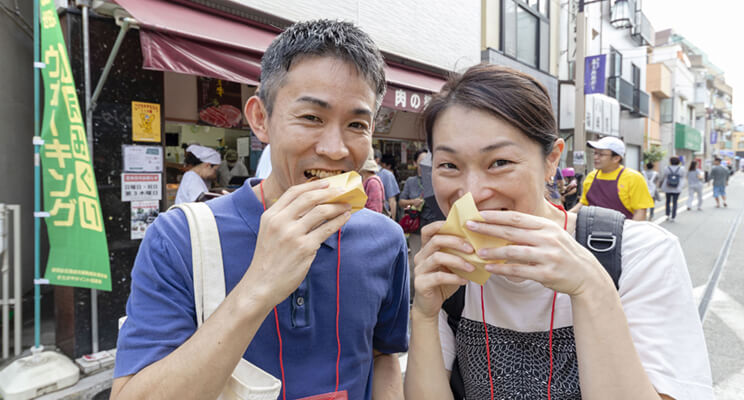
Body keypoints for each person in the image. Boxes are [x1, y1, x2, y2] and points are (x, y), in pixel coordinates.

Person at [112, 20, 409, 400]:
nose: (336, 149)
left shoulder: (386, 239)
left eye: (356, 124)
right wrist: (259, 285)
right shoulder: (178, 238)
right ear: (260, 119)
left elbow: (383, 353)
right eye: (311, 117)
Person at [404, 64, 712, 400]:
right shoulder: (449, 273)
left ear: (551, 159)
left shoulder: (641, 254)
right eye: (449, 165)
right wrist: (423, 313)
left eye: (500, 162)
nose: (472, 193)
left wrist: (591, 287)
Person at [570, 137, 653, 221]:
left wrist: (631, 233)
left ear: (616, 158)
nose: (595, 157)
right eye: (595, 153)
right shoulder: (591, 177)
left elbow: (640, 212)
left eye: (601, 154)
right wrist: (565, 216)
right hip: (591, 231)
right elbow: (583, 204)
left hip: (623, 231)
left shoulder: (633, 178)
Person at [660, 156, 684, 221]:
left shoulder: (666, 168)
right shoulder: (681, 169)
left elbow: (664, 176)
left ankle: (667, 215)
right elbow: (682, 176)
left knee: (667, 201)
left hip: (668, 186)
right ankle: (673, 216)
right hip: (677, 187)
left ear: (670, 162)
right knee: (675, 202)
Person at [377, 151, 400, 219]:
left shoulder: (387, 175)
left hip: (384, 215)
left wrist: (392, 220)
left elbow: (392, 200)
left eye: (382, 164)